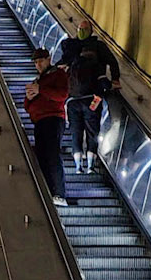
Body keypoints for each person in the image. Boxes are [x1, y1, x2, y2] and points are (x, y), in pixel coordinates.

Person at [24, 46, 70, 207]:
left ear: (49, 59)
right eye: (36, 62)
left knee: (52, 154)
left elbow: (62, 95)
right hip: (39, 121)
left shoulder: (58, 74)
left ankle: (59, 193)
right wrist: (29, 98)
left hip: (53, 118)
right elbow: (28, 107)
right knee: (41, 156)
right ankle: (47, 192)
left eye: (41, 61)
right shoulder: (37, 81)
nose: (38, 65)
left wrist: (40, 90)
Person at [66, 32, 116, 174]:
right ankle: (90, 166)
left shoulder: (73, 66)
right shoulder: (96, 66)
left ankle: (77, 166)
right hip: (91, 102)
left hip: (73, 103)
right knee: (92, 133)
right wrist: (112, 85)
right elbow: (104, 83)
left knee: (76, 132)